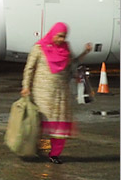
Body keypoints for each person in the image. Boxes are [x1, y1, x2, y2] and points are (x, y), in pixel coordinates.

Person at [20, 22, 91, 164]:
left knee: (60, 125)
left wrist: (85, 52)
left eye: (64, 37)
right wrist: (26, 86)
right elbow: (29, 69)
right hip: (42, 94)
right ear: (53, 33)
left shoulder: (65, 48)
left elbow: (73, 64)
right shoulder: (39, 48)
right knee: (38, 123)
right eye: (59, 36)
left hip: (61, 94)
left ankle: (55, 154)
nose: (61, 39)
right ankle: (32, 148)